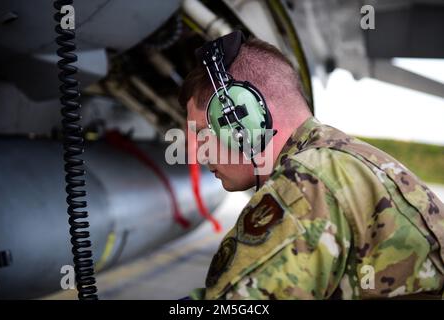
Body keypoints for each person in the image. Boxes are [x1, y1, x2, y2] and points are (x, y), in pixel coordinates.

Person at [178, 31, 444, 300]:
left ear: (243, 119)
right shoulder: (346, 157)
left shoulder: (306, 184)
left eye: (202, 133)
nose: (198, 153)